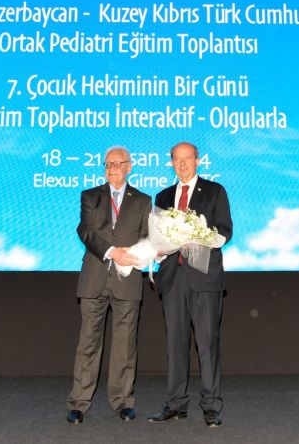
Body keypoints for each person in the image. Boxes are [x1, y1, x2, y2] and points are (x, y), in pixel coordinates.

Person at [147, 142, 233, 428]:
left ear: (198, 161)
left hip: (204, 277)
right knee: (175, 344)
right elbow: (156, 235)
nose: (182, 164)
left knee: (207, 344)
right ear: (171, 163)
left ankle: (211, 406)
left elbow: (225, 231)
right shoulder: (163, 196)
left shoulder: (214, 191)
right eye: (177, 159)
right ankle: (175, 404)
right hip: (173, 278)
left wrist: (197, 237)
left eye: (187, 158)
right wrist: (159, 248)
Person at [66, 146, 152, 425]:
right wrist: (112, 251)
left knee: (125, 345)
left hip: (127, 279)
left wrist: (147, 252)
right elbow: (85, 231)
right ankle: (78, 403)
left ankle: (123, 401)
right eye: (107, 164)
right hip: (95, 277)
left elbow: (147, 238)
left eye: (117, 164)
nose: (111, 168)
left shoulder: (143, 200)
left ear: (129, 167)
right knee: (88, 343)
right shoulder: (90, 196)